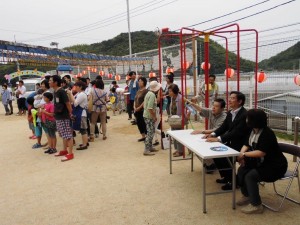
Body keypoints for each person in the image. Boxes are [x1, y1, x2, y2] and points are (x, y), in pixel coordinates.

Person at [236, 109, 288, 214]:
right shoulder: (253, 130)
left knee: (250, 175)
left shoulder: (267, 133)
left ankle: (256, 205)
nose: (246, 120)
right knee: (242, 169)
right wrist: (240, 155)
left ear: (254, 120)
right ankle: (247, 195)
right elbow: (246, 144)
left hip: (276, 166)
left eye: (248, 118)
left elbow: (261, 153)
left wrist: (243, 155)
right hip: (262, 163)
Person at [206, 91, 251, 190]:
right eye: (230, 98)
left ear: (240, 101)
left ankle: (234, 183)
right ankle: (227, 178)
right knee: (217, 155)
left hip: (242, 144)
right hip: (232, 142)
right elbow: (223, 127)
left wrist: (218, 139)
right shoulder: (230, 113)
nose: (229, 100)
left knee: (224, 157)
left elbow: (236, 132)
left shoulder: (244, 114)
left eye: (233, 98)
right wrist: (213, 134)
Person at [190, 98, 227, 172]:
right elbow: (201, 109)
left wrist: (202, 131)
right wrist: (193, 104)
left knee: (204, 149)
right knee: (195, 148)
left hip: (220, 138)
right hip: (211, 136)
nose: (213, 107)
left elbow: (217, 130)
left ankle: (211, 164)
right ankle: (210, 165)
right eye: (213, 105)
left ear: (222, 108)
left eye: (216, 106)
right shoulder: (211, 111)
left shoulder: (224, 117)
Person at [50, 75, 74, 162]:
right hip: (58, 116)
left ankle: (70, 153)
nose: (49, 82)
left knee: (67, 135)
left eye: (50, 80)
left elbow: (68, 103)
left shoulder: (61, 91)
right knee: (63, 134)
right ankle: (64, 150)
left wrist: (70, 113)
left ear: (55, 82)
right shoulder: (55, 91)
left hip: (64, 116)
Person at [168, 84, 189, 157]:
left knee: (179, 134)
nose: (169, 92)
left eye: (170, 91)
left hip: (180, 119)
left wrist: (187, 116)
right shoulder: (172, 98)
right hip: (174, 119)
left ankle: (181, 151)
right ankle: (177, 149)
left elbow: (188, 106)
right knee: (174, 134)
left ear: (174, 92)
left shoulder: (181, 98)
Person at [143, 81, 161, 156]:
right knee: (150, 132)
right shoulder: (152, 95)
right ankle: (146, 149)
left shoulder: (148, 93)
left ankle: (150, 147)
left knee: (151, 131)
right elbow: (150, 108)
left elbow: (145, 105)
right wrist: (154, 116)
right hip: (149, 116)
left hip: (146, 115)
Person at [72, 81, 89, 150]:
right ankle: (85, 142)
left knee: (83, 129)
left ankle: (85, 144)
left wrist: (70, 94)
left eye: (76, 86)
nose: (75, 87)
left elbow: (75, 103)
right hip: (80, 113)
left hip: (81, 113)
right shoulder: (79, 94)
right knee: (82, 129)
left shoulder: (82, 94)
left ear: (80, 87)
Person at [134, 77, 148, 142]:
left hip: (142, 110)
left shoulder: (146, 91)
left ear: (144, 82)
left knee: (143, 123)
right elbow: (135, 99)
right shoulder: (138, 91)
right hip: (136, 110)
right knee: (139, 123)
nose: (139, 82)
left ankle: (147, 136)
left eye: (140, 81)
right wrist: (134, 107)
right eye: (138, 81)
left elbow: (145, 101)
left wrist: (139, 107)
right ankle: (143, 136)